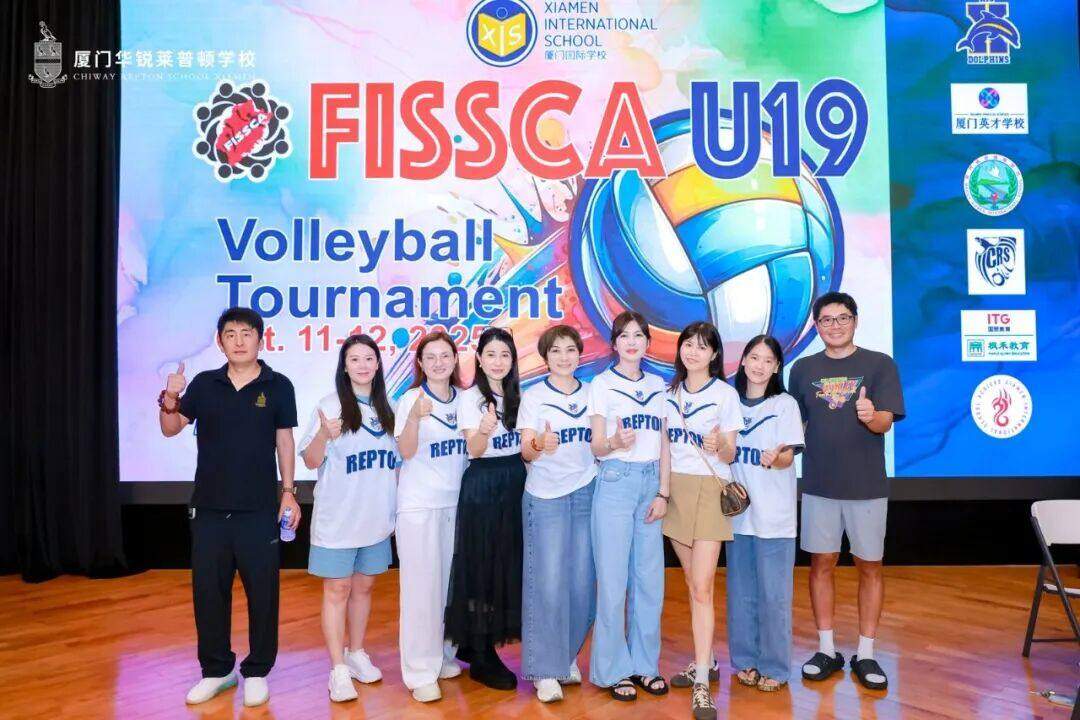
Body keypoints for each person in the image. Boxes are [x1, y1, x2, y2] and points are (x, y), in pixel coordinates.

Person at [159, 307, 299, 708]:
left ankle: (257, 671)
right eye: (231, 334)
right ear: (220, 342)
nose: (239, 341)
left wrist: (289, 492)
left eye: (246, 333)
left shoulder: (278, 385)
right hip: (209, 510)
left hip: (258, 511)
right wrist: (171, 397)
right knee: (209, 593)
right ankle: (217, 670)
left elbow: (284, 441)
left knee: (263, 595)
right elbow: (170, 429)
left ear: (261, 340)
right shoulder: (205, 384)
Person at [788, 292, 905, 691]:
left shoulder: (879, 364)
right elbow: (797, 426)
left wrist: (871, 416)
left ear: (855, 321)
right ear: (816, 326)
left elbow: (885, 421)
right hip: (818, 485)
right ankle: (826, 649)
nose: (834, 326)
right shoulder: (802, 369)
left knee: (869, 566)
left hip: (866, 486)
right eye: (826, 320)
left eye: (842, 318)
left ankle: (866, 652)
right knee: (821, 564)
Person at [298, 334, 396, 702]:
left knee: (365, 588)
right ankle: (338, 669)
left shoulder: (389, 407)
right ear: (344, 366)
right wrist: (324, 435)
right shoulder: (330, 406)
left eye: (369, 358)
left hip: (376, 519)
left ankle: (356, 653)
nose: (362, 365)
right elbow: (311, 460)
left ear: (377, 364)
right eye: (354, 359)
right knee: (337, 590)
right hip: (338, 521)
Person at [587, 310, 670, 701]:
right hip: (616, 481)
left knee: (649, 580)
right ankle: (612, 670)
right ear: (614, 343)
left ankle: (644, 665)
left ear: (648, 342)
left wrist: (663, 492)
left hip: (651, 483)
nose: (632, 342)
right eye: (624, 335)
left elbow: (665, 443)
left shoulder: (659, 386)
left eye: (639, 335)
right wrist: (614, 443)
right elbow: (596, 445)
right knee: (613, 580)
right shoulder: (601, 384)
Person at [662, 322, 742, 720]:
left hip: (711, 492)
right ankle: (704, 661)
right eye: (687, 345)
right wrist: (663, 493)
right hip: (677, 491)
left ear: (714, 355)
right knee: (692, 582)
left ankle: (702, 686)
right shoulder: (668, 395)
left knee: (702, 586)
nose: (693, 352)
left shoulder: (725, 394)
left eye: (702, 346)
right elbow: (664, 450)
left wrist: (720, 444)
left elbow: (730, 454)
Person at [445, 327, 527, 690]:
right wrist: (483, 429)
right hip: (483, 483)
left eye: (505, 355)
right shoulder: (470, 398)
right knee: (481, 565)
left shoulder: (518, 396)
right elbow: (474, 450)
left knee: (504, 564)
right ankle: (480, 652)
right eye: (491, 354)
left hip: (514, 481)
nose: (498, 362)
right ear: (478, 359)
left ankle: (477, 643)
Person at [519, 325, 597, 703]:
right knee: (547, 583)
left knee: (582, 583)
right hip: (546, 496)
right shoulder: (534, 397)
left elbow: (602, 442)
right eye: (555, 351)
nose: (564, 357)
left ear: (579, 353)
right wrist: (539, 443)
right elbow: (526, 451)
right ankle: (545, 669)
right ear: (545, 357)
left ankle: (565, 656)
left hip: (587, 491)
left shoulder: (593, 392)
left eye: (570, 349)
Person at [726, 335, 805, 693]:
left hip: (775, 519)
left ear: (776, 368)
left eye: (767, 360)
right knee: (741, 593)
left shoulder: (784, 405)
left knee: (774, 597)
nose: (759, 365)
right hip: (738, 518)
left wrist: (778, 459)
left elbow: (789, 455)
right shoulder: (728, 401)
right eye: (754, 357)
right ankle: (745, 660)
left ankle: (775, 666)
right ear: (743, 361)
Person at [394, 331, 468, 703]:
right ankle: (419, 671)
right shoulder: (411, 399)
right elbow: (406, 451)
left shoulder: (467, 399)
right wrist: (413, 419)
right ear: (421, 364)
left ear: (455, 360)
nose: (439, 363)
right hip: (420, 506)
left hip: (456, 505)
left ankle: (441, 656)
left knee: (448, 590)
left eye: (445, 356)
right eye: (431, 357)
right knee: (421, 591)